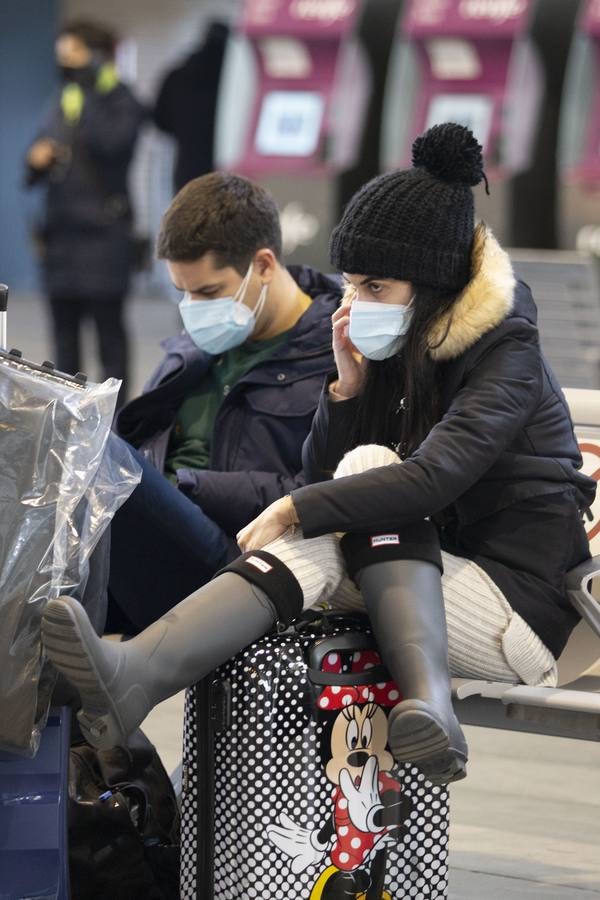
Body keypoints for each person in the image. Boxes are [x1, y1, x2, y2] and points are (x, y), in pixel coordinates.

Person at [41, 124, 595, 788]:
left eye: (375, 287)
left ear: (434, 286)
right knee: (332, 517)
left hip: (521, 612)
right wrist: (346, 392)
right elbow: (322, 479)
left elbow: (430, 479)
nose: (354, 304)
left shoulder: (507, 351)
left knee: (365, 473)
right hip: (420, 578)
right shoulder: (400, 346)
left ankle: (424, 702)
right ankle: (139, 677)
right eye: (352, 284)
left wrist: (294, 507)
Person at [104, 171, 340, 632]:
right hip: (150, 540)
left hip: (237, 565)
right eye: (184, 293)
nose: (194, 307)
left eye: (208, 292)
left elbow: (323, 491)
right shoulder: (194, 350)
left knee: (96, 456)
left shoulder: (337, 356)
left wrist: (187, 486)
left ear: (265, 265)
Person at [25, 19, 145, 402]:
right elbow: (35, 160)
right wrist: (37, 159)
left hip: (104, 236)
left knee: (109, 337)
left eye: (74, 54)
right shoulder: (62, 99)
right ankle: (67, 416)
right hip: (61, 236)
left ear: (97, 56)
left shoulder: (122, 101)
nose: (67, 63)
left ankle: (115, 419)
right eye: (62, 56)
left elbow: (113, 145)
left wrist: (91, 99)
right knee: (64, 340)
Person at [153, 20, 229, 193]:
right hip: (227, 168)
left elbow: (160, 120)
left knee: (188, 208)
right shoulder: (234, 78)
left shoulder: (179, 75)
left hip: (188, 166)